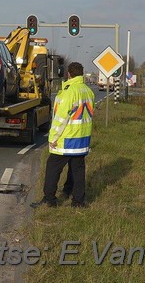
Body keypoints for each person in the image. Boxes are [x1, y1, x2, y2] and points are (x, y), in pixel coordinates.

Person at [31, 62, 95, 208]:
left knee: (53, 167)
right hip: (82, 139)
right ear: (81, 74)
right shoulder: (88, 91)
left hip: (66, 139)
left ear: (69, 74)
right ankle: (78, 201)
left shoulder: (68, 92)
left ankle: (49, 200)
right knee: (78, 170)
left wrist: (53, 138)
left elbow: (61, 119)